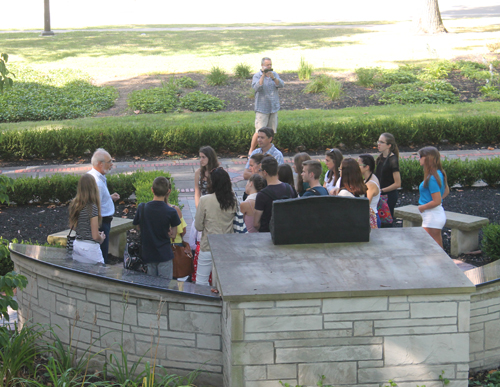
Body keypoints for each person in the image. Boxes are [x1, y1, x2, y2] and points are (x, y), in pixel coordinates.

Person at [195, 168, 237, 286]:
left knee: (201, 281)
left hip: (207, 245)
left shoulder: (205, 200)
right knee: (223, 283)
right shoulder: (233, 201)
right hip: (226, 247)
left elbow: (198, 226)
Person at [133, 177, 181, 278]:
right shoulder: (171, 211)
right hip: (164, 254)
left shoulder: (142, 208)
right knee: (164, 288)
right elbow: (173, 234)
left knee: (150, 287)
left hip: (147, 254)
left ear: (152, 190)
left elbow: (138, 227)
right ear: (168, 191)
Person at [191, 146, 219, 282]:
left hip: (215, 207)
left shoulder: (218, 172)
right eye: (200, 157)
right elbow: (197, 193)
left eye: (203, 157)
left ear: (210, 158)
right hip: (203, 207)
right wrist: (199, 211)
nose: (200, 160)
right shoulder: (198, 173)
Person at [87, 148, 120, 264]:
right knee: (101, 258)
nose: (111, 164)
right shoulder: (97, 183)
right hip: (101, 224)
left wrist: (109, 198)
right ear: (100, 164)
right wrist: (97, 232)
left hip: (101, 222)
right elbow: (92, 208)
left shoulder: (92, 176)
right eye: (109, 161)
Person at [249, 57, 285, 155]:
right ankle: (251, 151)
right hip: (262, 108)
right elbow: (257, 87)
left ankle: (267, 151)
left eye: (270, 65)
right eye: (267, 65)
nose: (269, 67)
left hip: (273, 107)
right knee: (259, 131)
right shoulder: (257, 76)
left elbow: (281, 85)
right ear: (262, 65)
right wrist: (263, 76)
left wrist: (273, 77)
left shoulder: (275, 75)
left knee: (271, 132)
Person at [69, 174, 106, 264]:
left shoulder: (75, 204)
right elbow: (95, 236)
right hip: (90, 248)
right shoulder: (92, 207)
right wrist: (101, 238)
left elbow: (72, 226)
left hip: (77, 244)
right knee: (99, 274)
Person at [418, 146, 450, 248]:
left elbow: (436, 201)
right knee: (436, 246)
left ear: (427, 158)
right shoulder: (439, 173)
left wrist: (422, 207)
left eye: (421, 156)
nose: (419, 159)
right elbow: (446, 191)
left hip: (431, 215)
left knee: (429, 247)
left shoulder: (432, 178)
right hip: (435, 213)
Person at [254, 157, 297, 232]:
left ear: (265, 172)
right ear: (277, 170)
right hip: (287, 231)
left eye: (260, 170)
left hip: (268, 234)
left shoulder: (262, 195)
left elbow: (256, 223)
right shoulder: (289, 188)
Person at [375, 133, 401, 226]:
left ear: (389, 145)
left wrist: (381, 190)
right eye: (378, 141)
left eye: (382, 142)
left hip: (388, 196)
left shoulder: (392, 160)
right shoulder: (380, 158)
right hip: (380, 195)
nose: (378, 144)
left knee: (386, 224)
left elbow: (397, 183)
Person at [358, 154, 381, 228]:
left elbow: (365, 204)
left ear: (367, 167)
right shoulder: (369, 179)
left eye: (359, 164)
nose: (356, 167)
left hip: (371, 219)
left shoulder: (370, 184)